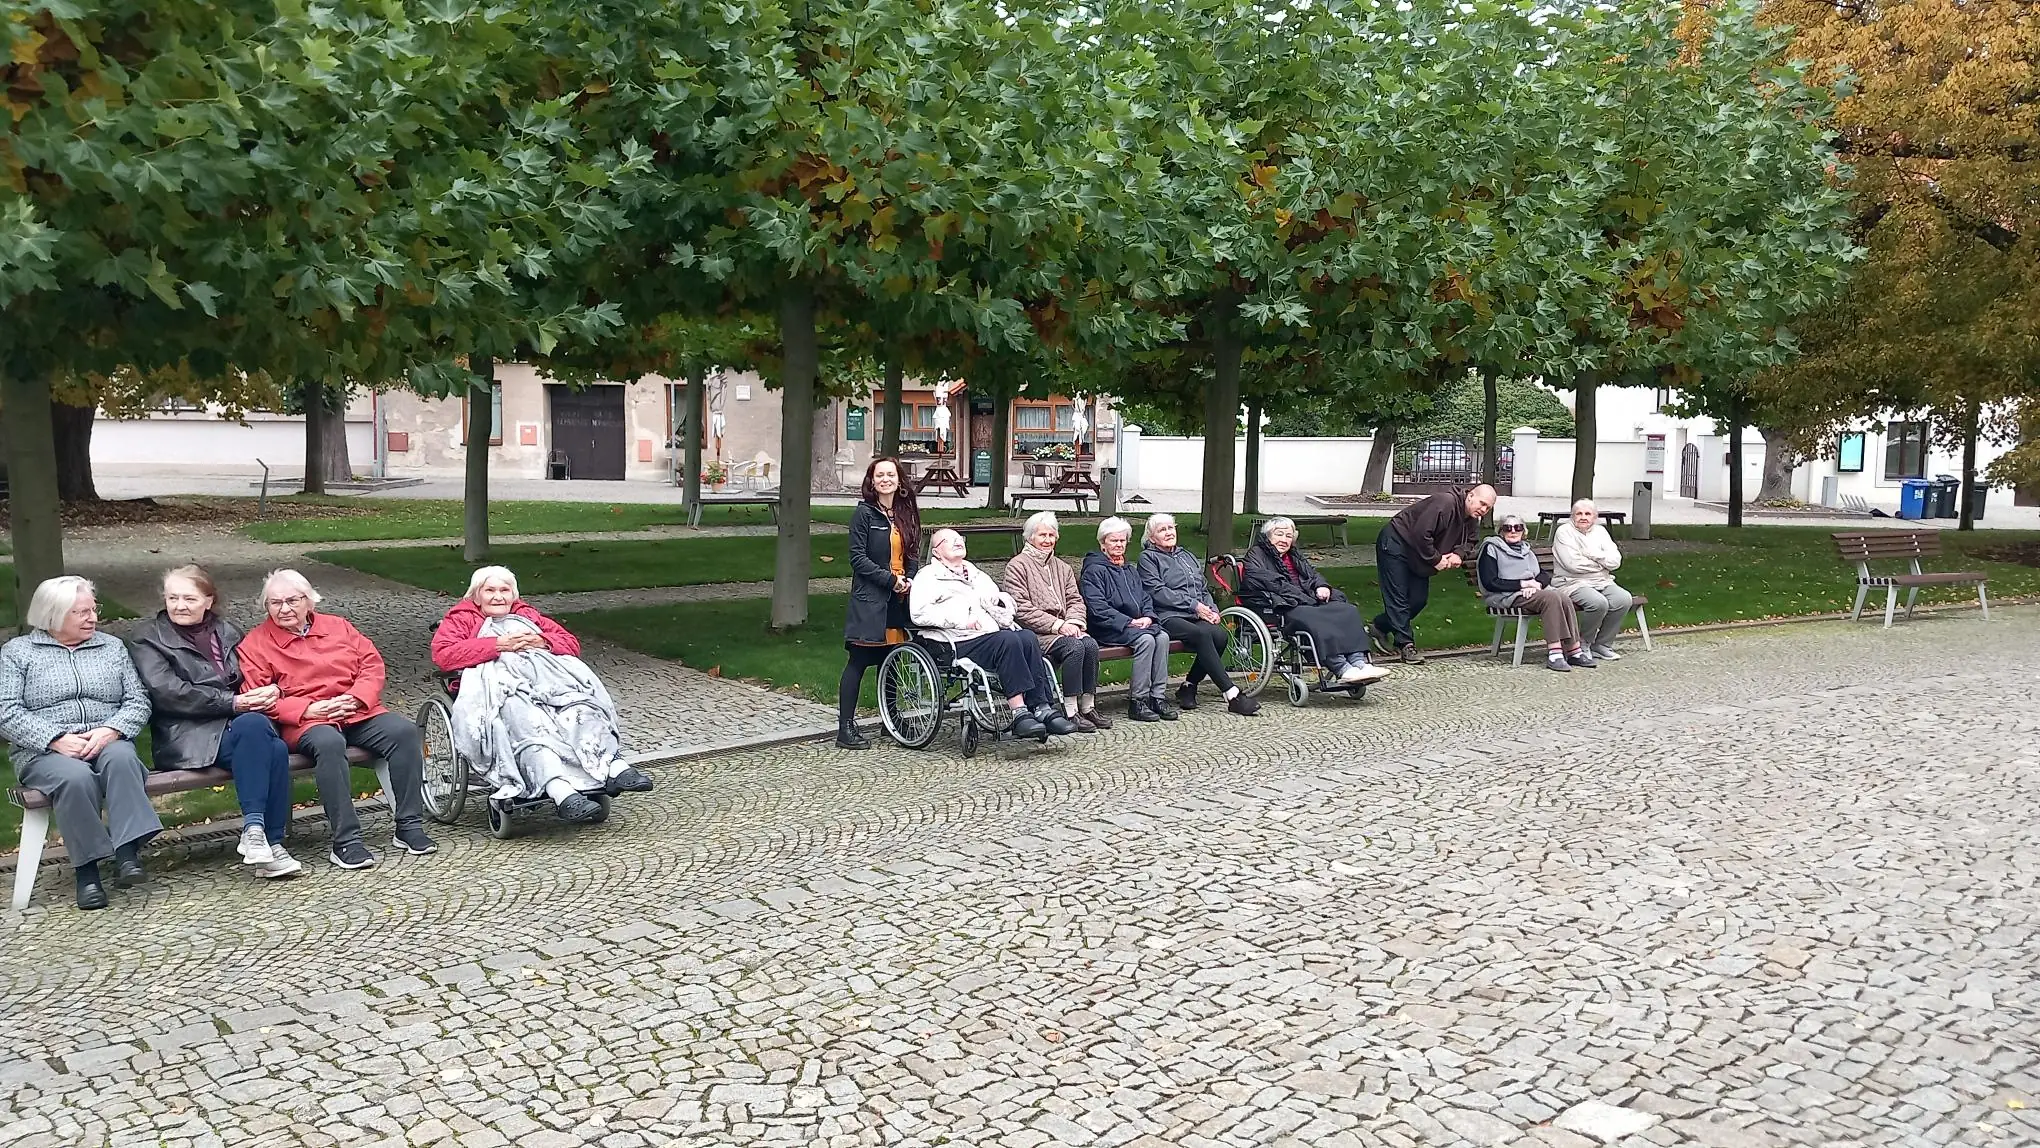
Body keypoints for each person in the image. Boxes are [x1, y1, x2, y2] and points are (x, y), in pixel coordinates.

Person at [236, 569, 435, 869]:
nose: (284, 609)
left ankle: (409, 826)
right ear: (266, 606)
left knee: (404, 732)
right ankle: (346, 841)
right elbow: (257, 696)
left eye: (292, 600)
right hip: (306, 722)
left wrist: (355, 698)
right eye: (275, 603)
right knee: (329, 743)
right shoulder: (256, 643)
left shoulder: (338, 626)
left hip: (355, 710)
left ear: (309, 600)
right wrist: (307, 710)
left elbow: (371, 665)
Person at [432, 566, 654, 823]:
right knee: (525, 718)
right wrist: (496, 645)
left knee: (581, 706)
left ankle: (613, 767)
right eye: (489, 590)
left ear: (514, 595)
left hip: (547, 685)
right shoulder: (461, 618)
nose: (498, 597)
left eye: (504, 590)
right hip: (496, 690)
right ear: (476, 595)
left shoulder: (527, 615)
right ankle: (560, 790)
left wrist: (543, 641)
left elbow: (570, 643)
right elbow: (444, 655)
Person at [130, 565, 303, 879]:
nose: (180, 605)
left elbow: (251, 674)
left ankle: (258, 837)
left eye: (189, 598)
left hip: (237, 727)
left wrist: (268, 691)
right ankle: (269, 842)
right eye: (173, 598)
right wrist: (234, 703)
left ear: (209, 600)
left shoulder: (226, 631)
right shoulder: (148, 638)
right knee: (268, 743)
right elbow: (168, 693)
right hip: (186, 736)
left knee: (266, 739)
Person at [0, 576, 158, 910]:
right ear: (53, 615)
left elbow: (138, 700)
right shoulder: (18, 653)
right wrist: (55, 739)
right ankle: (87, 873)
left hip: (106, 739)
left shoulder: (111, 647)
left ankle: (127, 853)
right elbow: (6, 711)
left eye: (93, 609)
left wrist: (112, 730)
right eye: (81, 612)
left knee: (122, 760)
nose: (93, 618)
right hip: (43, 751)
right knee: (75, 777)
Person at [909, 529, 1078, 739]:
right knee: (1007, 640)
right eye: (949, 540)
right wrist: (961, 620)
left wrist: (1003, 605)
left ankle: (1042, 707)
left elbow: (998, 600)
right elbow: (919, 613)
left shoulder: (976, 574)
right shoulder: (928, 577)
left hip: (986, 635)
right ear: (936, 551)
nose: (958, 542)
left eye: (960, 539)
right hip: (953, 640)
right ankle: (1019, 712)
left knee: (1027, 637)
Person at [1240, 518, 1391, 686]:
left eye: (1288, 536)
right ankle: (1342, 667)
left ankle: (1359, 663)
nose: (1284, 540)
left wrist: (1321, 586)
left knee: (1347, 610)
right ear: (1268, 536)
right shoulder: (1256, 554)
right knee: (1314, 616)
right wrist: (1303, 597)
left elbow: (1312, 574)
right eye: (1279, 534)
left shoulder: (1294, 555)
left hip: (1306, 600)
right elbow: (1264, 580)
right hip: (1280, 604)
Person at [1137, 513, 1260, 716]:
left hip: (1193, 614)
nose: (1168, 533)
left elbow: (1203, 587)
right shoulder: (1148, 558)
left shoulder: (1186, 556)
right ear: (1151, 537)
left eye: (1171, 528)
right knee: (1201, 635)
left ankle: (1189, 685)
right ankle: (1232, 694)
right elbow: (1157, 592)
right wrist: (1195, 606)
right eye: (1162, 530)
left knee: (1219, 636)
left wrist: (1211, 610)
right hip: (1166, 615)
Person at [837, 456, 923, 749]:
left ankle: (891, 718)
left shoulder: (905, 512)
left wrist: (909, 579)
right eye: (880, 475)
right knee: (859, 660)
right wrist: (890, 580)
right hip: (871, 599)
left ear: (899, 480)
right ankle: (846, 728)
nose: (885, 480)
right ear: (872, 482)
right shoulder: (864, 514)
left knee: (892, 658)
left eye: (890, 475)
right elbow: (858, 559)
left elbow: (912, 552)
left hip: (899, 597)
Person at [1000, 511, 1109, 733]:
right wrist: (1058, 625)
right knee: (1075, 647)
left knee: (1090, 644)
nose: (1047, 540)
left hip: (1065, 627)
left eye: (1051, 535)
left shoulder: (1062, 567)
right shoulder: (1017, 566)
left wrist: (1074, 622)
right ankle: (1070, 710)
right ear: (1030, 537)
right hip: (1035, 633)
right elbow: (1021, 608)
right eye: (1042, 535)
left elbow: (1075, 600)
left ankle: (1088, 706)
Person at [1369, 484, 1496, 664]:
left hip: (1418, 555)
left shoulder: (1472, 519)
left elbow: (1471, 540)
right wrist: (1435, 559)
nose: (1483, 510)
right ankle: (1406, 646)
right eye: (1482, 503)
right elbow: (1421, 534)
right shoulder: (1445, 503)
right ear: (1470, 496)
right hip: (1396, 542)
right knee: (1398, 597)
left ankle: (1379, 626)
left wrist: (1458, 554)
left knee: (1418, 600)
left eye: (1488, 508)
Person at [1079, 518, 1172, 723]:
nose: (1119, 545)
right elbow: (1098, 608)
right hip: (1107, 627)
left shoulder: (1129, 569)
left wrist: (1148, 617)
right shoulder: (1094, 570)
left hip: (1135, 625)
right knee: (1146, 640)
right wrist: (1129, 621)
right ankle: (1138, 701)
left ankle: (1157, 697)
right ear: (1103, 543)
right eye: (1114, 541)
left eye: (1122, 541)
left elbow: (1145, 597)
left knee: (1162, 637)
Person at [1477, 515, 1596, 672]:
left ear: (1524, 531)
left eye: (1518, 527)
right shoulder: (1491, 549)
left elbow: (1542, 575)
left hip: (1530, 593)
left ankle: (1574, 651)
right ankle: (1555, 654)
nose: (1513, 531)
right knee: (1551, 598)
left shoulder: (1526, 550)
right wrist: (1522, 585)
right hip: (1504, 595)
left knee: (1563, 598)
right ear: (1500, 531)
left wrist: (1536, 584)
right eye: (1507, 528)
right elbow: (1490, 582)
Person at [1551, 499, 1635, 661]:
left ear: (1595, 517)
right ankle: (1582, 644)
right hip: (1571, 582)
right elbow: (1573, 564)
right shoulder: (1564, 532)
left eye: (1588, 514)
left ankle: (1602, 645)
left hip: (1602, 581)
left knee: (1623, 599)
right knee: (1598, 603)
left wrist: (1592, 555)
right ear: (1572, 516)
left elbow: (1615, 561)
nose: (1583, 517)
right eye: (1579, 514)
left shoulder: (1601, 532)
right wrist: (1602, 564)